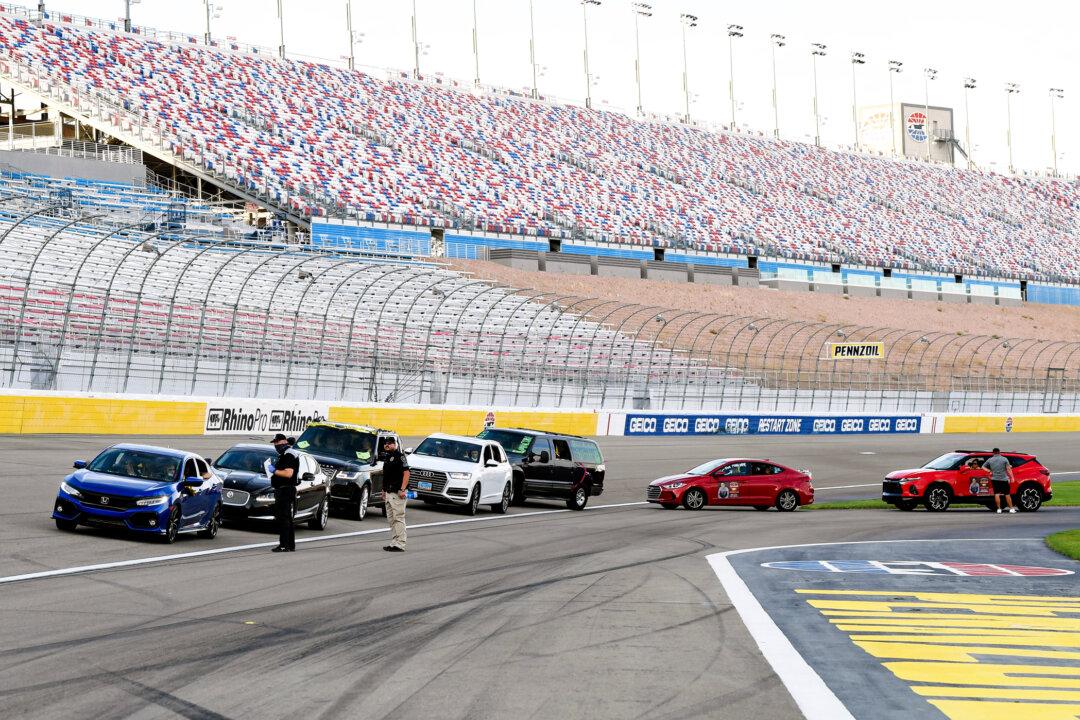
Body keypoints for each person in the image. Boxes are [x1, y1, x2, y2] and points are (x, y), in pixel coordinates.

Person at [270, 433, 301, 551]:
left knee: (284, 518)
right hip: (284, 489)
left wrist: (274, 471)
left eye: (276, 443)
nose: (275, 445)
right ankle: (289, 545)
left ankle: (284, 545)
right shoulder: (286, 453)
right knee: (286, 518)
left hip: (285, 490)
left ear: (283, 442)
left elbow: (288, 473)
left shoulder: (288, 454)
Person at [380, 438, 410, 553]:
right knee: (391, 519)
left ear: (395, 444)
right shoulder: (387, 457)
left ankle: (400, 543)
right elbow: (386, 475)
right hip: (388, 492)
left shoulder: (400, 456)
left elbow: (407, 473)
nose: (387, 446)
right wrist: (383, 490)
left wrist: (402, 489)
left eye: (390, 444)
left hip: (397, 493)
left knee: (398, 518)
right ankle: (394, 542)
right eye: (386, 444)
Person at [983, 448, 1016, 514]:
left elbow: (983, 467)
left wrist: (989, 471)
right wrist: (1012, 477)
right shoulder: (1004, 459)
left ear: (993, 452)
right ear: (999, 452)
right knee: (1007, 494)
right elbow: (1008, 469)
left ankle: (999, 509)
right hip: (1004, 479)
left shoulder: (990, 460)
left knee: (997, 494)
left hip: (994, 479)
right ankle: (1011, 509)